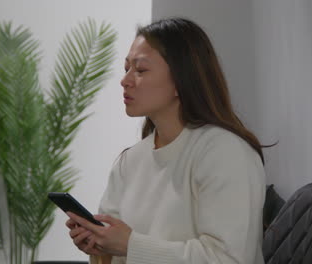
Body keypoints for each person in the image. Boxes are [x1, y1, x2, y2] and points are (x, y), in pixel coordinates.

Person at [65, 17, 266, 264]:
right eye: (126, 68)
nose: (125, 80)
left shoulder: (226, 153)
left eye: (140, 70)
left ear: (181, 80)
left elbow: (227, 259)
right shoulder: (130, 161)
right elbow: (115, 254)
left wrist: (129, 245)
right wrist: (100, 246)